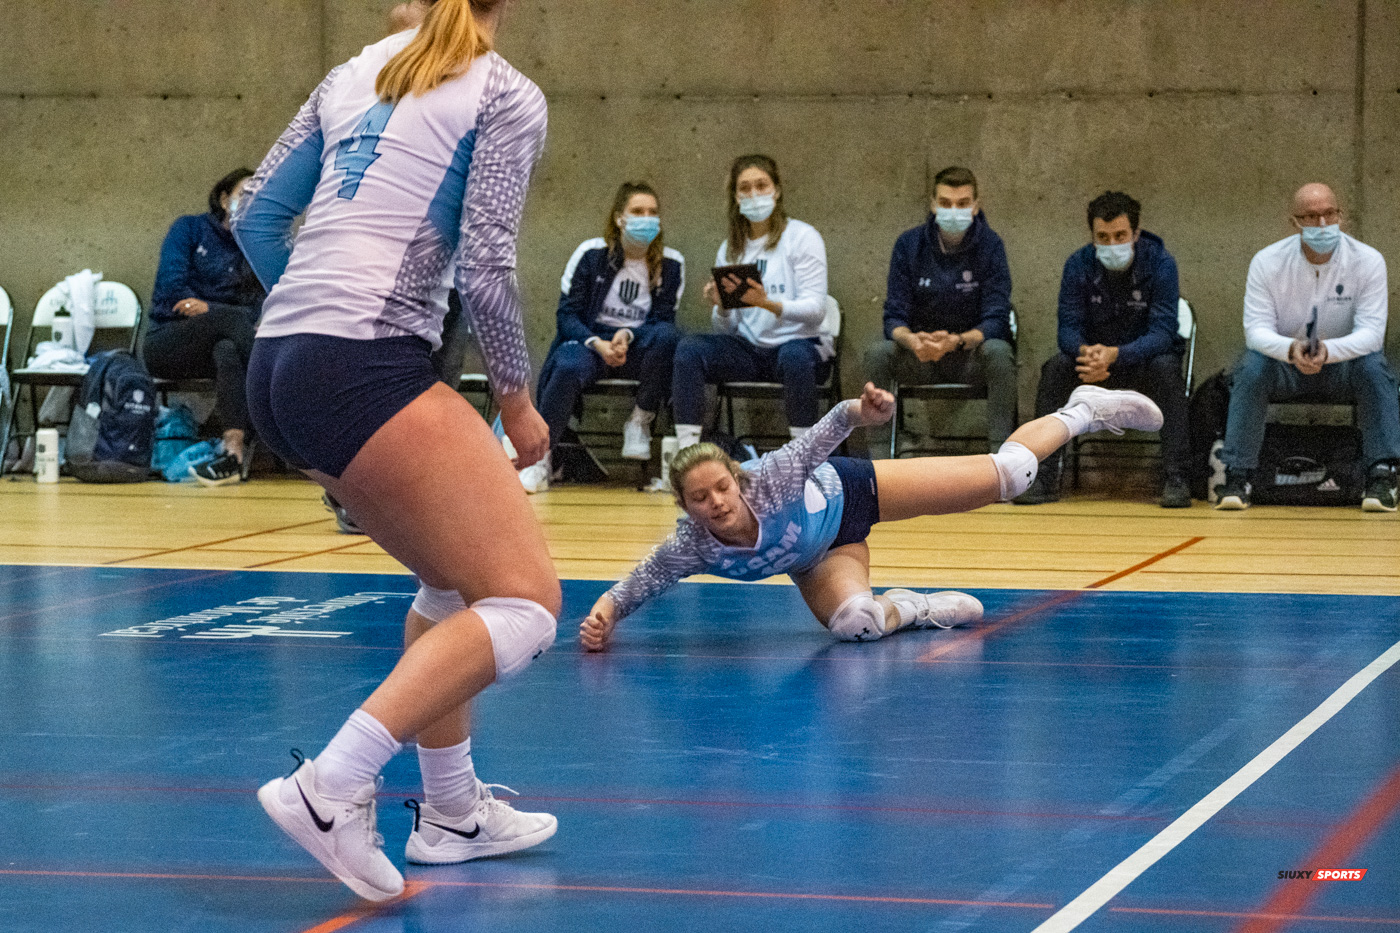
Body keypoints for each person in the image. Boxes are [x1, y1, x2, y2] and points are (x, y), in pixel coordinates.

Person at [232, 0, 560, 901]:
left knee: (451, 582)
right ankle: (333, 784)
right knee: (528, 603)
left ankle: (453, 812)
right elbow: (488, 265)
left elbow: (257, 217)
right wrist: (518, 401)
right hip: (362, 361)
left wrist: (310, 313)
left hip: (278, 360)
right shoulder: (504, 92)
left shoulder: (350, 71)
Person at [581, 382, 1164, 649]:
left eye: (722, 487)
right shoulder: (694, 546)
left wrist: (861, 411)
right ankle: (914, 607)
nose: (717, 502)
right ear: (686, 507)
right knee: (855, 623)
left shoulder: (774, 479)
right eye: (700, 498)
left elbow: (823, 435)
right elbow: (643, 581)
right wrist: (603, 615)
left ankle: (1085, 409)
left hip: (853, 493)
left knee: (1010, 476)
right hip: (821, 558)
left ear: (738, 478)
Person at [1216, 182, 1400, 511]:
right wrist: (1291, 350)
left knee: (1375, 367)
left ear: (1341, 215)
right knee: (1251, 367)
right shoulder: (1267, 262)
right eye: (1311, 217)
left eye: (1330, 214)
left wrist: (1329, 352)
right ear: (1294, 222)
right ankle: (1237, 476)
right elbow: (1255, 330)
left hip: (1343, 367)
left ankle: (1382, 477)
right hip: (1285, 365)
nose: (1323, 224)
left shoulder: (1368, 261)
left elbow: (1372, 333)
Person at [1016, 190, 1191, 508]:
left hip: (1143, 363)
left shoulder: (1162, 263)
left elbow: (1164, 333)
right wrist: (1088, 354)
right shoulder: (1077, 264)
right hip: (1092, 366)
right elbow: (1066, 330)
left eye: (1120, 235)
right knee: (1055, 368)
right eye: (1103, 237)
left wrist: (1118, 355)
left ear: (1136, 234)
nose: (1112, 244)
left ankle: (1176, 478)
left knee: (1167, 368)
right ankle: (1041, 477)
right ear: (1092, 236)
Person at [518, 181, 685, 493]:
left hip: (638, 345)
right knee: (567, 366)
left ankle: (640, 422)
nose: (646, 218)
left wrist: (626, 336)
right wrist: (598, 343)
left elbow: (664, 320)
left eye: (652, 212)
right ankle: (540, 460)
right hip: (591, 343)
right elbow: (567, 315)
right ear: (620, 217)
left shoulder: (672, 263)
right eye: (637, 211)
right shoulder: (591, 253)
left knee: (670, 337)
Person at [670, 154, 830, 449]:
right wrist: (722, 307)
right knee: (690, 349)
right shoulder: (731, 249)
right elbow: (726, 331)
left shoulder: (802, 237)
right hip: (750, 351)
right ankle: (688, 451)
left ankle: (804, 457)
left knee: (795, 357)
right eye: (745, 188)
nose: (754, 194)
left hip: (799, 346)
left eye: (761, 185)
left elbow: (816, 312)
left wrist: (766, 303)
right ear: (735, 196)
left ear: (777, 190)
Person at [865, 165, 1016, 454]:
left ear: (975, 206)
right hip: (920, 356)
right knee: (878, 354)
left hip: (969, 356)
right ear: (933, 204)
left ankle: (1003, 461)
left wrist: (957, 341)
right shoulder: (908, 245)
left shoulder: (992, 245)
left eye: (962, 204)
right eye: (945, 203)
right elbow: (893, 315)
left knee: (999, 352)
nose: (954, 210)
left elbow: (997, 318)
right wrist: (912, 340)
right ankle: (880, 462)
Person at [143, 168, 266, 486]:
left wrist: (210, 309)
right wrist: (226, 313)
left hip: (223, 343)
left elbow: (258, 308)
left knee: (227, 347)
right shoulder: (189, 229)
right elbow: (171, 292)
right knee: (235, 322)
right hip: (168, 340)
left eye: (258, 196)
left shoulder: (255, 247)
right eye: (244, 193)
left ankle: (232, 452)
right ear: (225, 199)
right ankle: (289, 401)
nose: (250, 201)